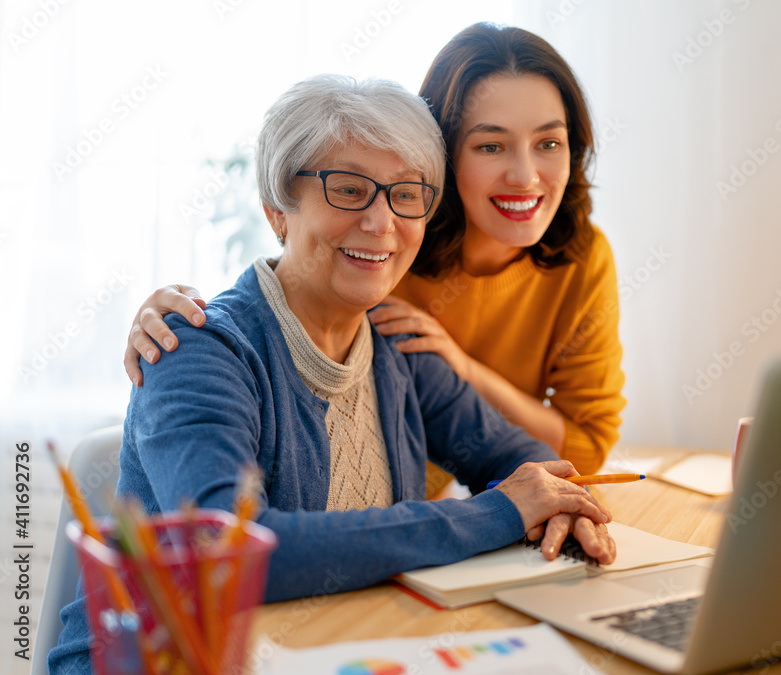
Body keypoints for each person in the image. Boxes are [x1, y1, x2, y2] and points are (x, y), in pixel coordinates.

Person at [49, 74, 615, 675]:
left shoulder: (399, 344)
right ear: (277, 209)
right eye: (349, 190)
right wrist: (501, 512)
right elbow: (236, 555)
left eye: (406, 194)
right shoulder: (197, 349)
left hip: (337, 652)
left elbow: (520, 460)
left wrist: (556, 505)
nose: (381, 222)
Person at [123, 24, 626, 493]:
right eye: (491, 145)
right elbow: (277, 311)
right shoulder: (378, 264)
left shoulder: (398, 285)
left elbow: (560, 456)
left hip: (411, 547)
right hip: (405, 538)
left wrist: (466, 372)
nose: (524, 175)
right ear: (445, 160)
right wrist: (186, 326)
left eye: (549, 142)